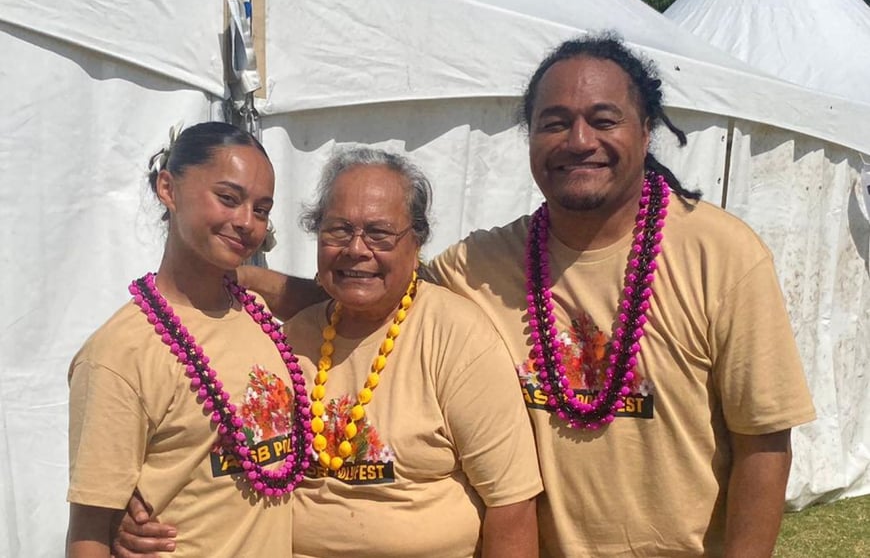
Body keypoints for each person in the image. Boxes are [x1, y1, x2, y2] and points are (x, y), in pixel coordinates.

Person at [119, 33, 817, 557]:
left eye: (604, 119)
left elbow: (764, 441)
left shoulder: (722, 255)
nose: (578, 140)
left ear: (645, 129)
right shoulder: (485, 261)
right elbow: (369, 290)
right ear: (530, 137)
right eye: (553, 121)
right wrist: (228, 276)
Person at [114, 147, 543, 557]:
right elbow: (210, 437)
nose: (356, 249)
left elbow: (513, 504)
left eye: (379, 233)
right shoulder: (289, 338)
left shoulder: (457, 338)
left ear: (417, 242)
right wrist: (140, 504)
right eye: (338, 230)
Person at [67, 122, 311, 557]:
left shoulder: (258, 314)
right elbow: (88, 530)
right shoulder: (119, 354)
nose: (246, 223)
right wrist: (115, 526)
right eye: (228, 198)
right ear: (168, 188)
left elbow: (350, 295)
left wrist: (248, 276)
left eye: (262, 209)